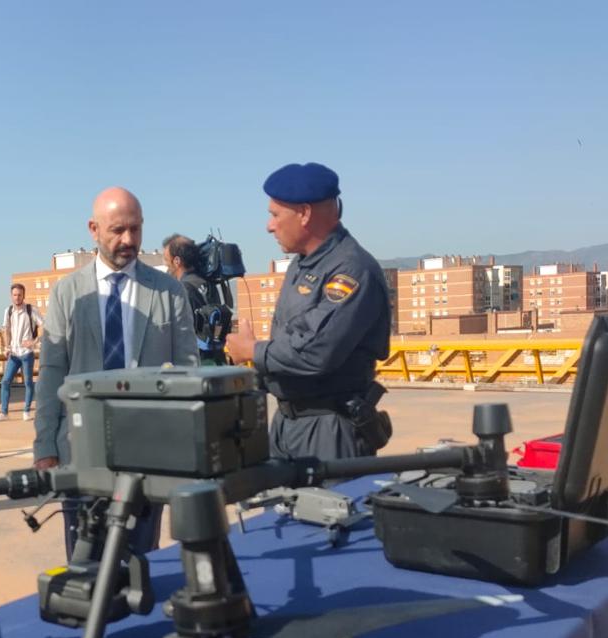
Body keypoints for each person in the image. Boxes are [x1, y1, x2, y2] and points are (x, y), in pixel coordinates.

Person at [34, 187, 198, 558]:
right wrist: (45, 445)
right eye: (117, 230)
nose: (128, 240)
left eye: (135, 229)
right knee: (85, 562)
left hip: (146, 455)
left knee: (141, 562)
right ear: (93, 229)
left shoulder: (169, 292)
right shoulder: (67, 293)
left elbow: (187, 370)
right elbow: (52, 372)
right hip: (81, 450)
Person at [226, 162, 392, 461]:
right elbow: (291, 337)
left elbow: (317, 352)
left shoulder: (351, 269)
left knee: (330, 495)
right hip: (288, 423)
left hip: (328, 429)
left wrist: (253, 350)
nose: (269, 226)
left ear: (304, 213)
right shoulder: (301, 265)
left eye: (275, 215)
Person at [164, 233, 226, 365]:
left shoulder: (182, 289)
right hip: (216, 359)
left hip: (196, 363)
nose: (166, 265)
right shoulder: (208, 283)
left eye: (166, 260)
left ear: (177, 261)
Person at [0, 283, 44, 421]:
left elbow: (44, 326)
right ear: (11, 296)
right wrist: (7, 347)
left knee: (28, 383)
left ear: (23, 295)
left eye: (19, 295)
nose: (17, 297)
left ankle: (26, 411)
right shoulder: (8, 311)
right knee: (5, 381)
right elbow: (6, 330)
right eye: (15, 295)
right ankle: (4, 413)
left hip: (27, 353)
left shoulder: (31, 310)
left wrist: (34, 342)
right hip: (14, 354)